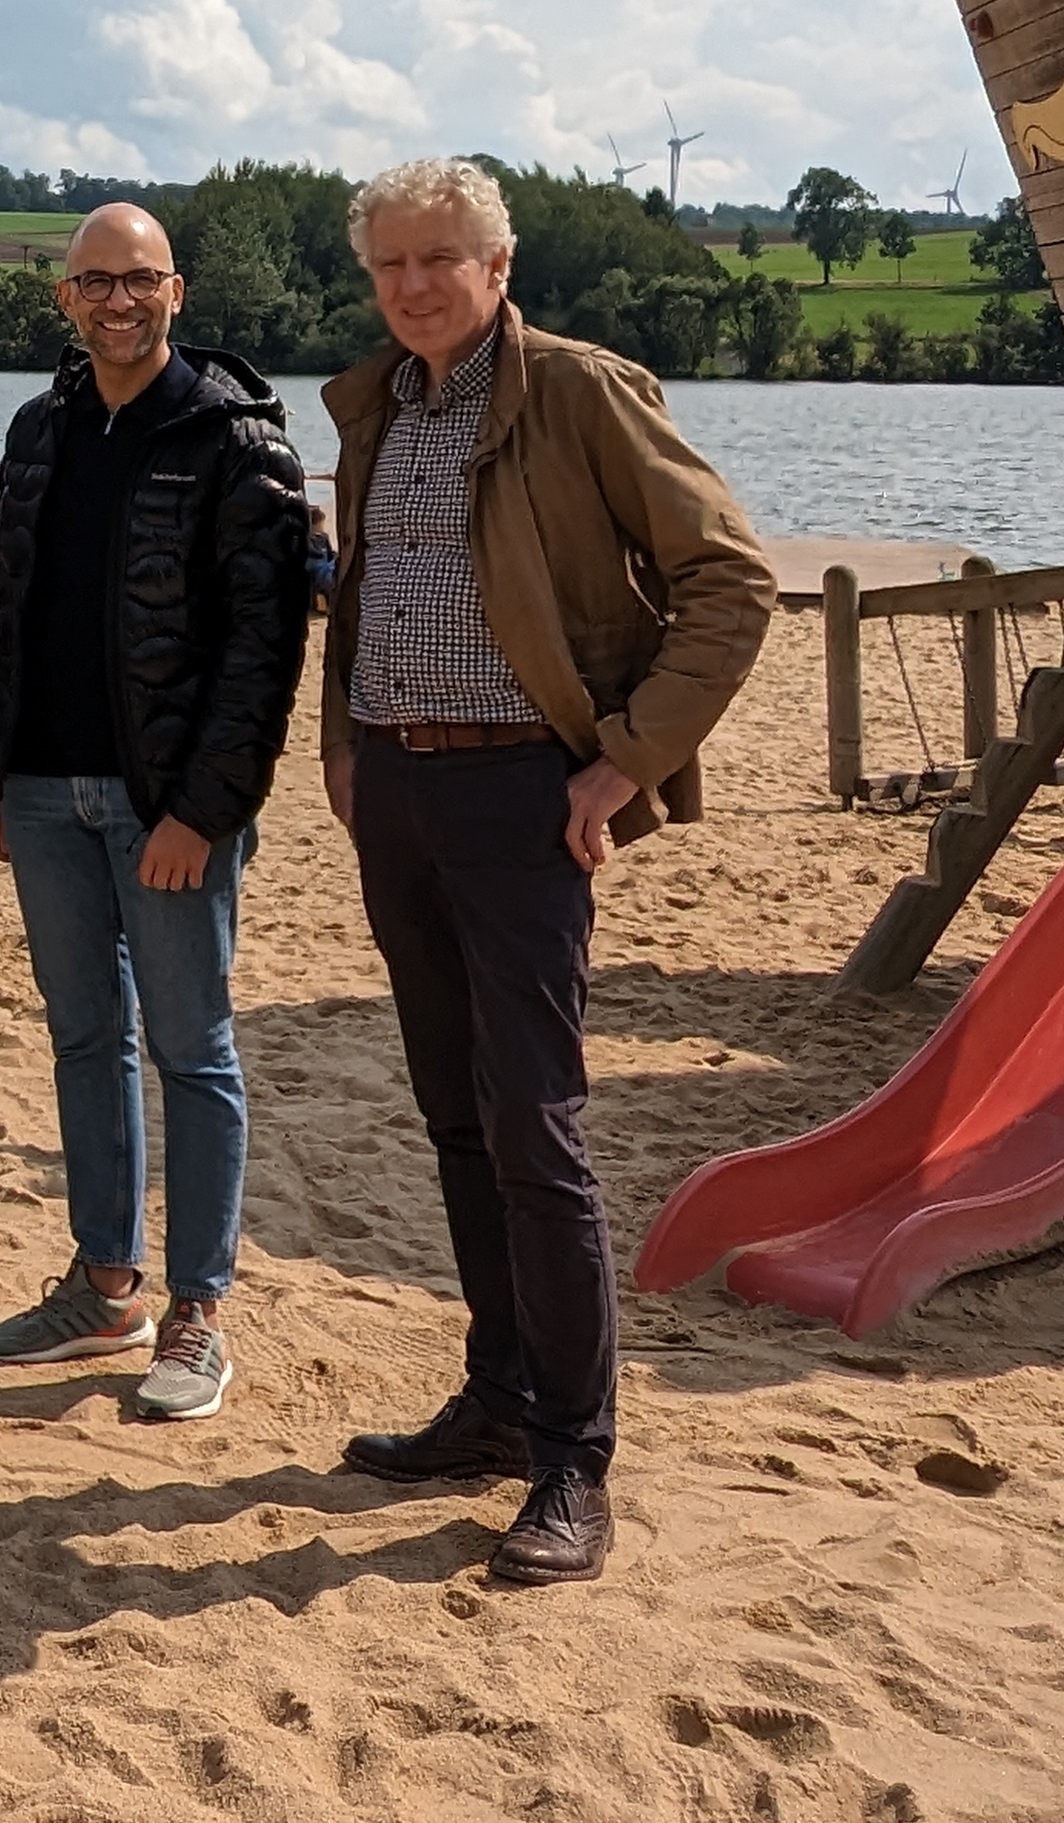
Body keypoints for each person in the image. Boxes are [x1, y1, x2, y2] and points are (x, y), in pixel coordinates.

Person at [318, 155, 769, 1585]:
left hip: (525, 796)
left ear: (499, 267)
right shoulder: (377, 403)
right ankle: (501, 1399)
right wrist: (345, 743)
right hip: (397, 790)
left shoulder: (578, 390)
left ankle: (577, 1459)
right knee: (456, 1117)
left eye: (438, 258)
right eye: (389, 264)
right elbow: (368, 588)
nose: (411, 286)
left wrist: (626, 758)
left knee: (537, 1127)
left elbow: (732, 583)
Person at [0, 200, 310, 1422]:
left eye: (140, 280)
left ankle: (197, 1308)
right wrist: (1, 769)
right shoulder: (39, 427)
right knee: (81, 1039)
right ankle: (105, 1284)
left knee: (192, 1051)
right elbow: (7, 605)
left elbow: (263, 654)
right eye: (95, 282)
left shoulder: (235, 438)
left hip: (167, 809)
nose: (117, 300)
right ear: (66, 300)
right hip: (45, 796)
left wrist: (204, 814)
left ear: (177, 293)